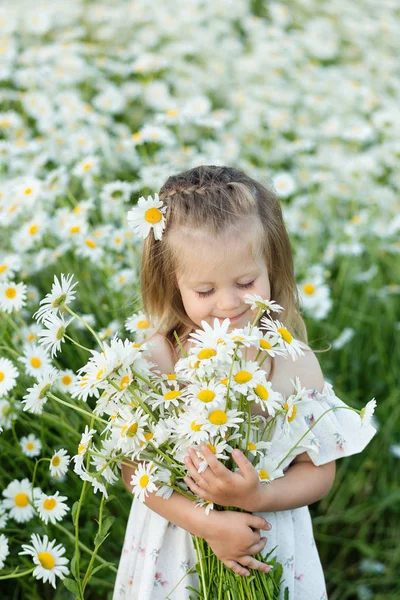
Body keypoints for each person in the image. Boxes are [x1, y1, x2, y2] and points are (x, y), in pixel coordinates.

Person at [113, 165, 376, 600]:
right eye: (204, 290)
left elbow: (319, 472)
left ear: (272, 267)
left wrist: (258, 496)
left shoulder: (292, 362)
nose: (229, 303)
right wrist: (208, 525)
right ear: (172, 282)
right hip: (178, 549)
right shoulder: (160, 358)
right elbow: (134, 470)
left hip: (268, 542)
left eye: (246, 282)